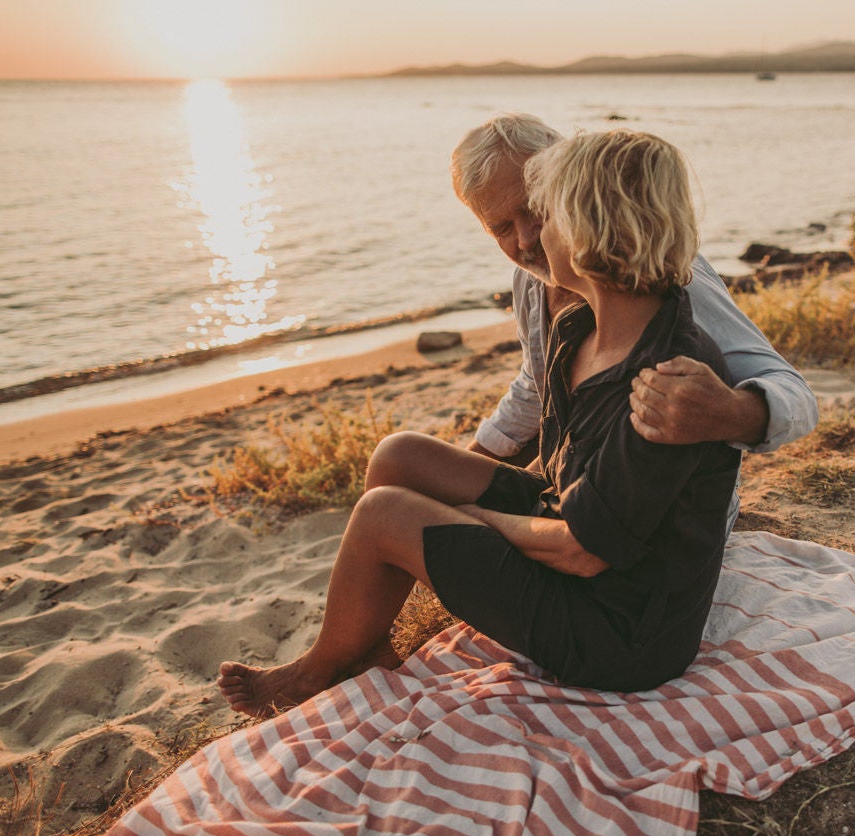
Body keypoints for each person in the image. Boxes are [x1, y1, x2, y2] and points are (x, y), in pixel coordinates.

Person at [217, 130, 742, 715]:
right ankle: (367, 644)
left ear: (597, 233)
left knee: (384, 514)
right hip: (571, 521)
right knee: (401, 457)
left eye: (547, 217)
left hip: (619, 631)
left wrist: (473, 521)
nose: (532, 238)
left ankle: (322, 668)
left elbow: (584, 552)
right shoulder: (580, 329)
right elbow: (563, 466)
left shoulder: (666, 383)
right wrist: (466, 506)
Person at [451, 114, 818, 527]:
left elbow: (797, 397)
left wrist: (732, 411)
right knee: (416, 473)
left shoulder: (663, 272)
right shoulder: (529, 283)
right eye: (500, 227)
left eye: (535, 209)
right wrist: (467, 460)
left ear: (567, 186)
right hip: (568, 482)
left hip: (651, 524)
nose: (525, 240)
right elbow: (536, 385)